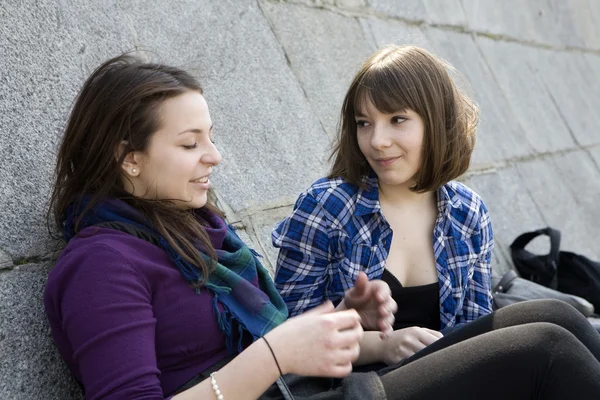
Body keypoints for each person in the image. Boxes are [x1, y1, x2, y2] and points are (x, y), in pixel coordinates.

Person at [44, 53, 600, 400]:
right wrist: (279, 352)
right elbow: (267, 355)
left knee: (554, 313)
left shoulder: (194, 234)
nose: (214, 157)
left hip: (315, 387)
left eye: (209, 137)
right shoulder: (102, 264)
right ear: (130, 158)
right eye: (190, 144)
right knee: (545, 350)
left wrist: (353, 332)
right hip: (300, 393)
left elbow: (282, 338)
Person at [273, 45, 492, 360]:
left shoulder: (468, 212)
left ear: (437, 122)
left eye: (397, 119)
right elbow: (281, 341)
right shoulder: (327, 207)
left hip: (448, 379)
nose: (377, 141)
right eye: (364, 123)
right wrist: (378, 346)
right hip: (358, 388)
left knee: (555, 320)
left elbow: (477, 332)